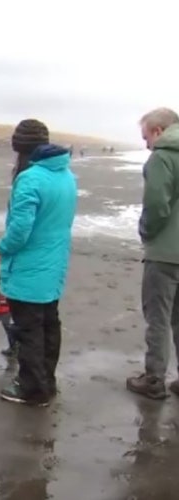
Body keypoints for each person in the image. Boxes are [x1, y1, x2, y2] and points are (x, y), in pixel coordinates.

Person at [0, 119, 77, 406]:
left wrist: (0, 250)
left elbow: (20, 230)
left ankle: (33, 388)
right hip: (54, 265)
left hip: (30, 267)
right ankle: (46, 381)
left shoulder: (30, 178)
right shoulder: (66, 174)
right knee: (48, 325)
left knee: (28, 328)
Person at [126, 107, 179, 400]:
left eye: (146, 137)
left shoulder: (162, 157)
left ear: (158, 131)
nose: (146, 144)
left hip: (166, 252)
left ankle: (154, 379)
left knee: (158, 316)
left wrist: (146, 231)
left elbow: (157, 204)